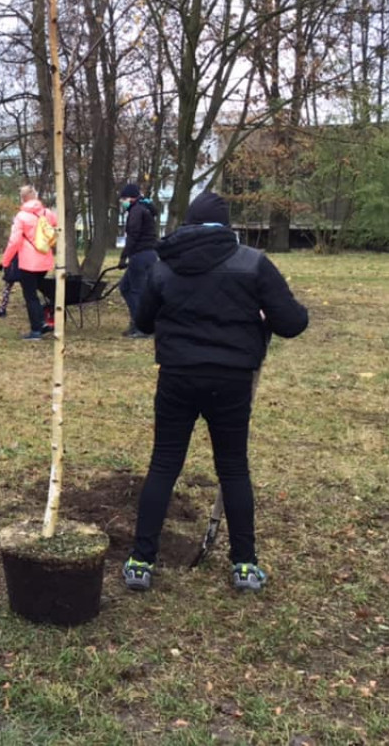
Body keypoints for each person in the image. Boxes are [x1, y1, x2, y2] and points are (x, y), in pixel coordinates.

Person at [121, 191, 309, 594]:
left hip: (177, 377)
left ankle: (140, 560)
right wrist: (262, 314)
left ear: (189, 223)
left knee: (164, 464)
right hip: (231, 380)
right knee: (233, 467)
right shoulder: (253, 264)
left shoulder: (164, 263)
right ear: (227, 227)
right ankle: (244, 565)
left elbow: (143, 319)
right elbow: (292, 322)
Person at [0, 185, 56, 340]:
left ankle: (36, 329)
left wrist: (5, 261)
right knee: (36, 291)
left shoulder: (21, 216)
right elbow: (54, 228)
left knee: (30, 296)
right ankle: (42, 322)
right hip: (45, 260)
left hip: (28, 262)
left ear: (22, 198)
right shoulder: (47, 213)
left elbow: (14, 242)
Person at [117, 183, 159, 338]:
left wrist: (124, 256)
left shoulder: (136, 211)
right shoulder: (144, 209)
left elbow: (133, 235)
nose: (122, 202)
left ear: (131, 198)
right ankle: (137, 322)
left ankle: (143, 326)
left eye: (123, 199)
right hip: (149, 254)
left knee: (136, 291)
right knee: (125, 287)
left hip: (140, 255)